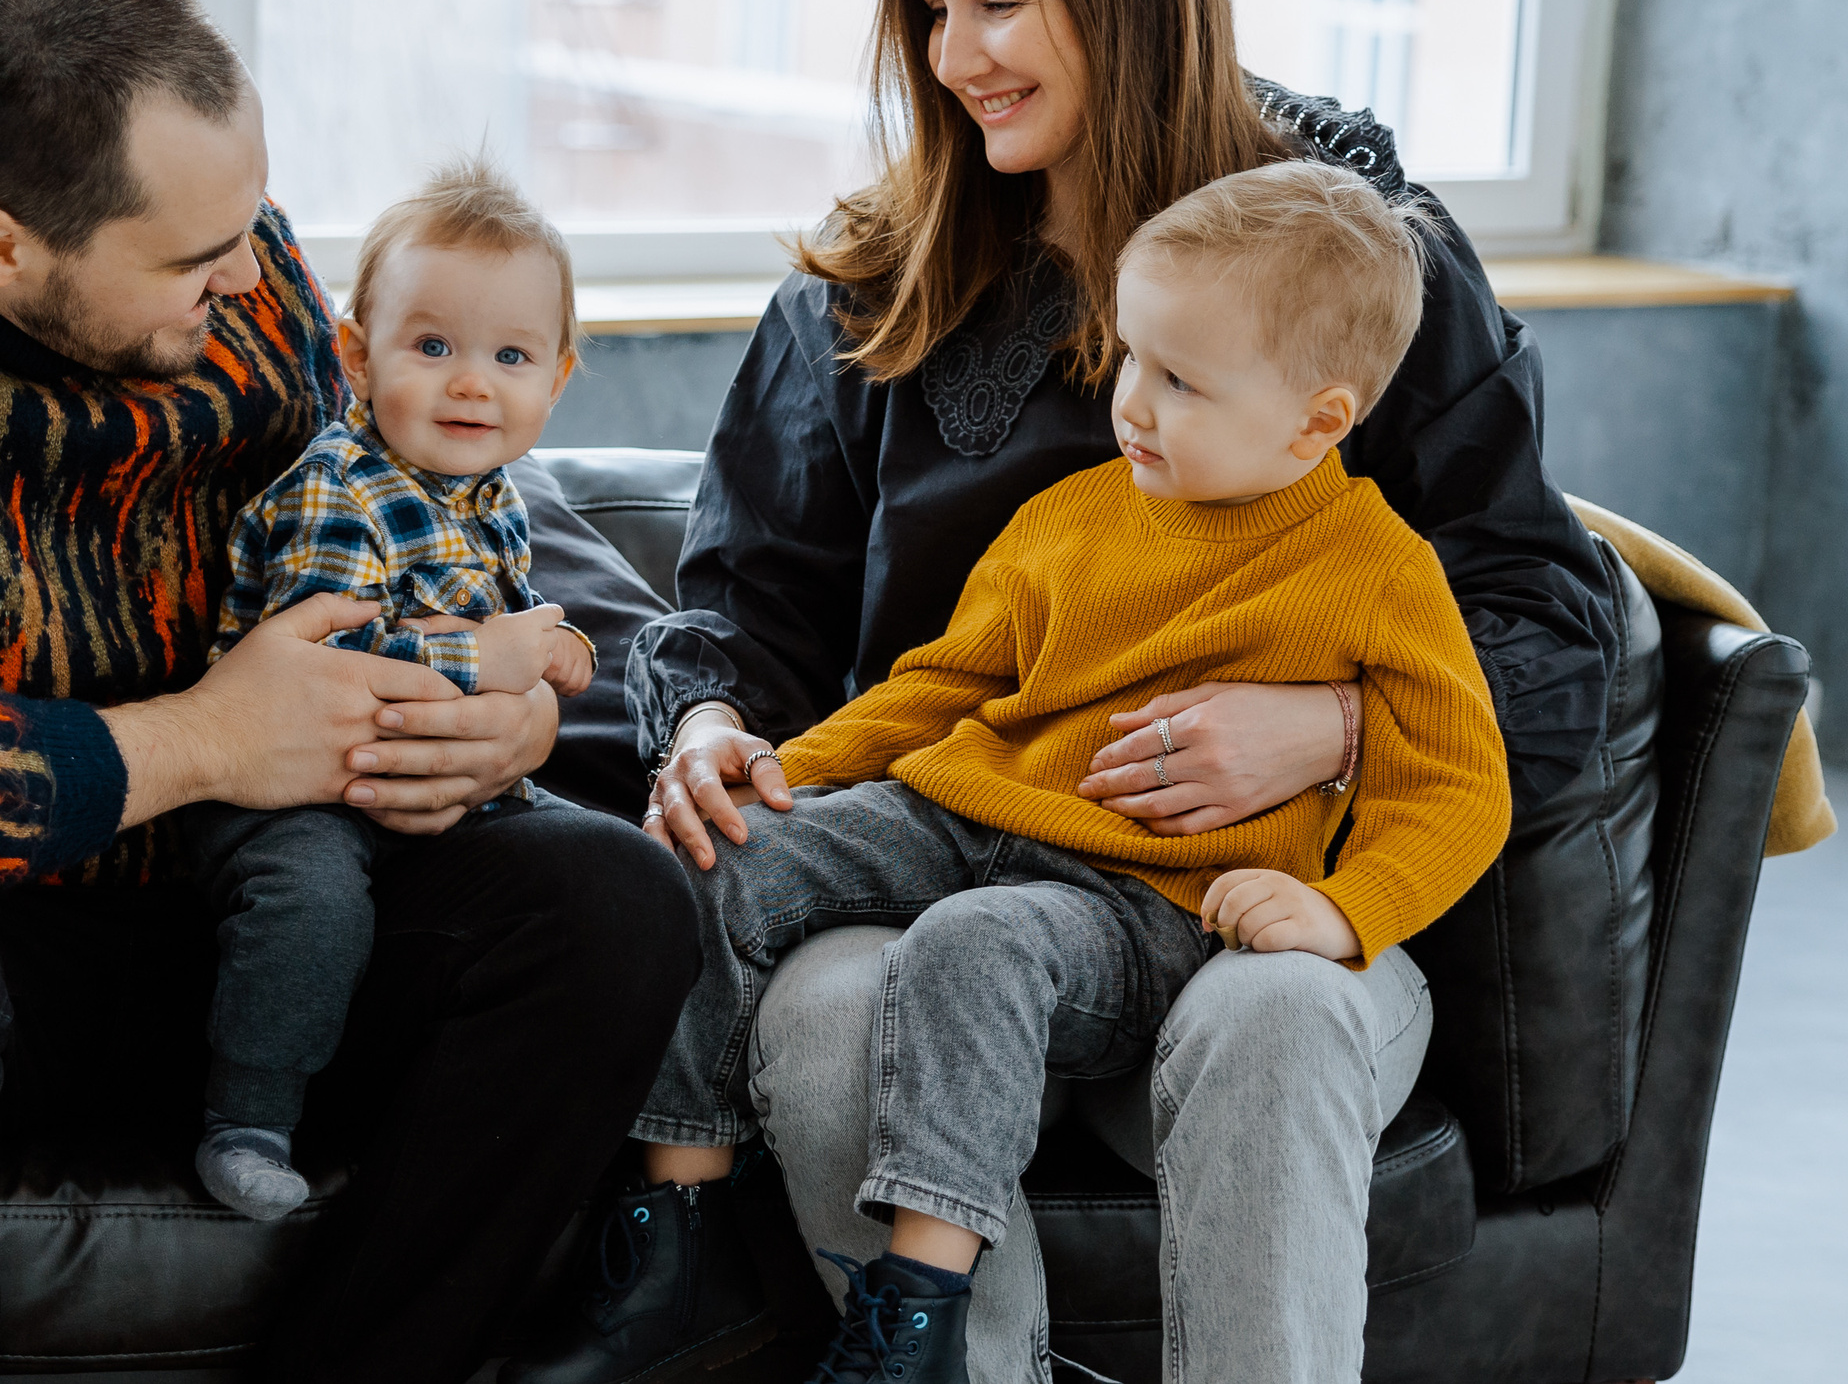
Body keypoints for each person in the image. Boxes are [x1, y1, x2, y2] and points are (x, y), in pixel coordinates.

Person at [600, 0, 1619, 1384]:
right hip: (951, 890)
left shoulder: (1347, 259)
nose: (954, 57)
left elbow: (1558, 622)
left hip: (1265, 899)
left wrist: (1332, 731)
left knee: (1272, 1016)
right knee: (828, 1005)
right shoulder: (867, 290)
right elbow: (750, 606)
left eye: (999, 3)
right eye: (934, 11)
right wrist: (712, 717)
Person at [0, 0, 697, 1384]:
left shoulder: (245, 276)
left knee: (614, 903)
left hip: (246, 911)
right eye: (195, 260)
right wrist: (208, 735)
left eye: (252, 228)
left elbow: (417, 513)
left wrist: (507, 716)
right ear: (4, 246)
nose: (251, 277)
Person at [507, 159, 1513, 1384]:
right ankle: (676, 1224)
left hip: (1143, 896)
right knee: (711, 850)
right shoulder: (1072, 513)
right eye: (1131, 357)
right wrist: (778, 767)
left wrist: (1344, 908)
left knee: (971, 941)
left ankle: (920, 1310)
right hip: (961, 809)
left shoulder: (1376, 573)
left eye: (1181, 380)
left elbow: (1460, 787)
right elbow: (943, 688)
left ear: (1318, 418)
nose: (1133, 402)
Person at [189, 158, 598, 1219]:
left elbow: (503, 614)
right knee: (308, 899)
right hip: (292, 789)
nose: (472, 382)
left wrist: (552, 659)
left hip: (425, 785)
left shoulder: (490, 493)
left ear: (555, 380)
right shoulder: (340, 480)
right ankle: (248, 1117)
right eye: (433, 346)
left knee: (605, 871)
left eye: (510, 356)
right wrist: (493, 660)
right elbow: (328, 662)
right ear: (357, 356)